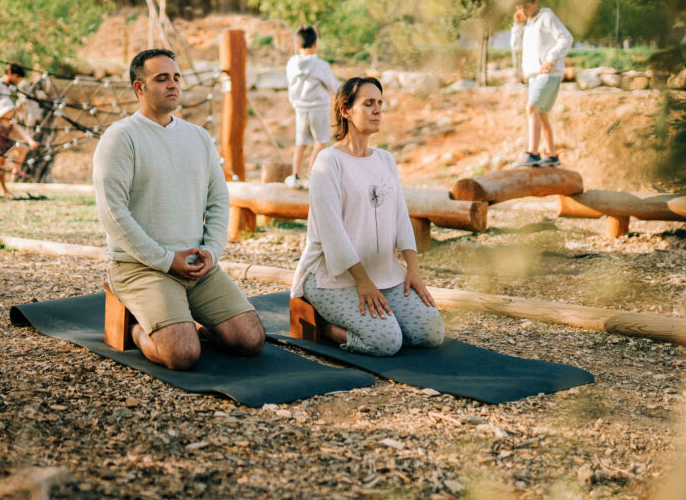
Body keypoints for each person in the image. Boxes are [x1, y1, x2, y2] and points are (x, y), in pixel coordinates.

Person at [93, 48, 265, 370]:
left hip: (196, 265)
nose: (173, 84)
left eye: (176, 77)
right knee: (183, 355)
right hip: (142, 267)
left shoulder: (198, 137)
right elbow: (112, 214)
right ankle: (136, 331)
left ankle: (181, 320)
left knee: (251, 340)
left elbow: (218, 200)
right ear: (139, 88)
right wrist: (164, 259)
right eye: (162, 79)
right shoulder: (120, 138)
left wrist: (212, 252)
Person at [290, 77, 444, 356]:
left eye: (380, 104)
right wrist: (363, 281)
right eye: (368, 103)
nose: (377, 110)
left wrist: (414, 271)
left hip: (384, 273)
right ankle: (323, 327)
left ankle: (382, 319)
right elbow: (332, 233)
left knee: (430, 333)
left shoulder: (385, 159)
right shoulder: (328, 161)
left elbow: (400, 216)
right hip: (332, 277)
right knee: (386, 342)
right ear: (345, 111)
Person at [510, 0, 574, 167]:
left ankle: (533, 153)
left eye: (526, 7)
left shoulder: (547, 16)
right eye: (520, 8)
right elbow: (516, 47)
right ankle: (552, 155)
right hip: (533, 76)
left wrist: (552, 58)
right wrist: (517, 25)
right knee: (542, 114)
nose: (524, 11)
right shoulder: (528, 23)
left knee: (532, 108)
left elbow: (566, 38)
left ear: (536, 2)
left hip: (548, 72)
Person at [284, 25, 340, 189]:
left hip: (300, 109)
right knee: (321, 142)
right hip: (319, 109)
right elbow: (334, 86)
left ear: (297, 46)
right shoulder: (321, 65)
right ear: (315, 45)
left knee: (300, 144)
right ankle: (310, 177)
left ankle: (294, 176)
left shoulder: (292, 64)